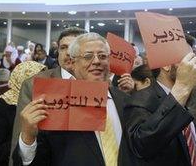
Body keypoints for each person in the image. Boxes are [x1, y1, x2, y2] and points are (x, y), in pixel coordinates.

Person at [13, 32, 137, 166]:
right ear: (73, 63)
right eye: (88, 56)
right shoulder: (54, 105)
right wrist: (27, 137)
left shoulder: (126, 101)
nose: (96, 61)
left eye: (102, 56)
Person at [9, 27, 88, 165]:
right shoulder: (34, 84)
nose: (68, 53)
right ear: (57, 52)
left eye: (75, 47)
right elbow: (20, 134)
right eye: (63, 47)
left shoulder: (97, 84)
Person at [124, 52, 196, 165]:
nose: (194, 65)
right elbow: (142, 146)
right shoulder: (141, 100)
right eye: (187, 60)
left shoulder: (190, 98)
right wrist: (182, 87)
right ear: (166, 65)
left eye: (194, 58)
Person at [0, 61, 46, 166]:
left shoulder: (41, 102)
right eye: (37, 80)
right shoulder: (3, 106)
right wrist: (24, 140)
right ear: (23, 80)